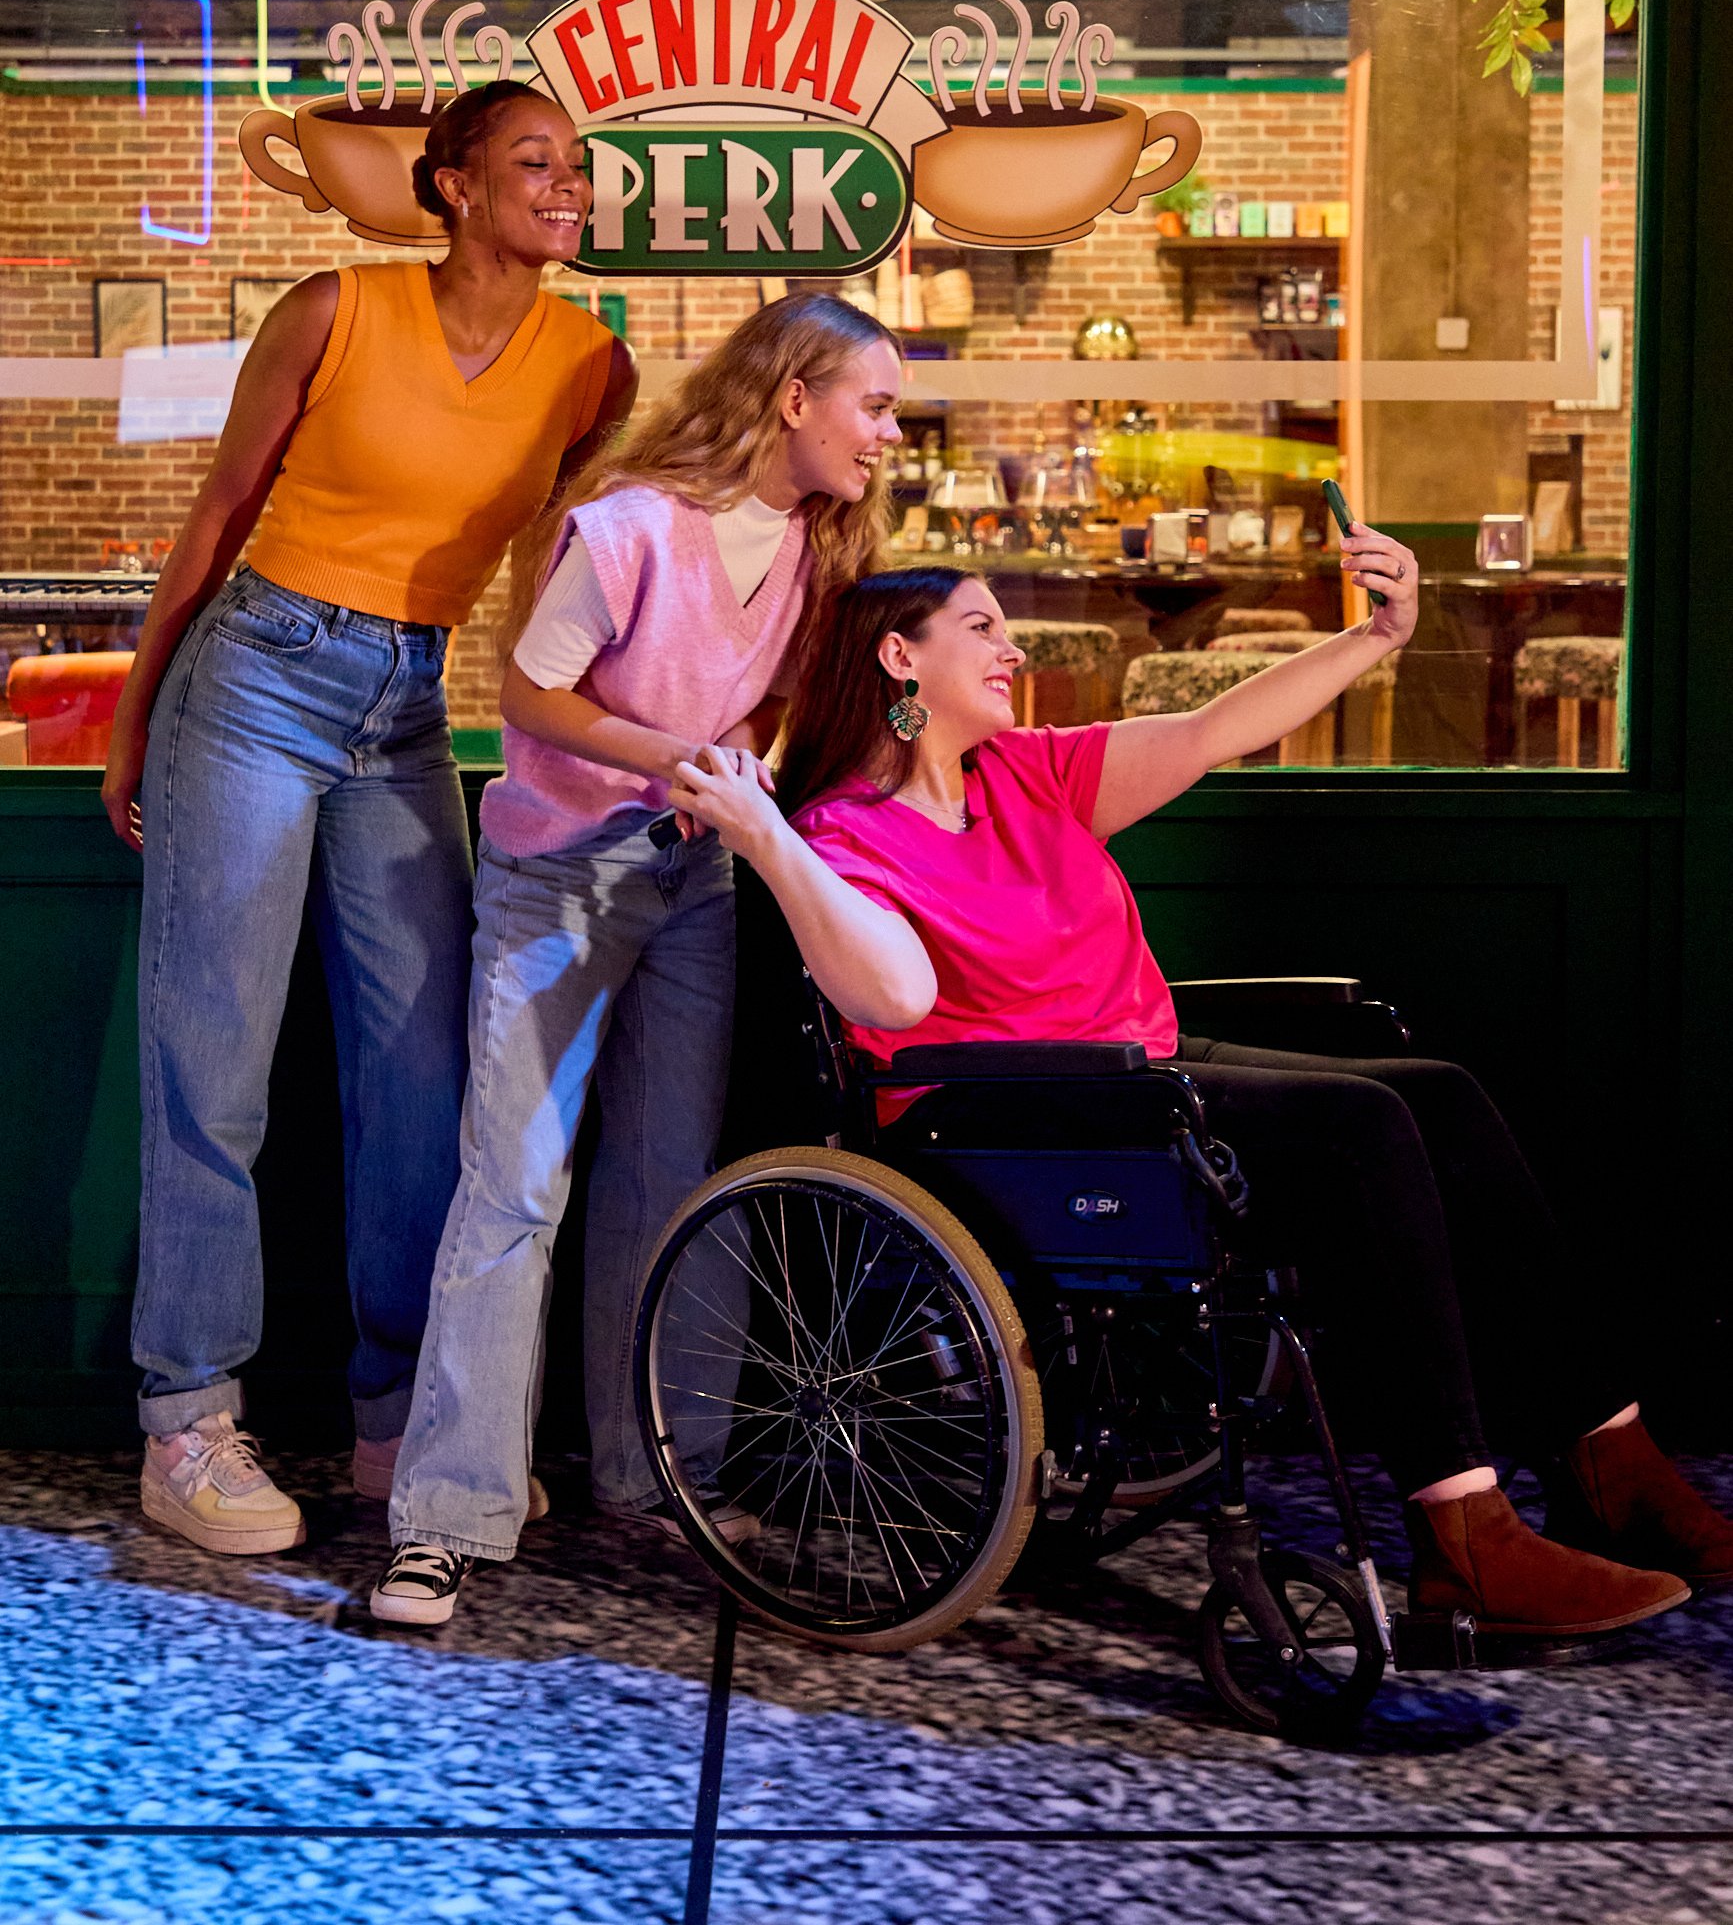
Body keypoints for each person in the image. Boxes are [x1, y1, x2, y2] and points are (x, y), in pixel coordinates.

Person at [658, 554, 1733, 1644]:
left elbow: (1215, 727)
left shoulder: (1023, 773)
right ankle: (1463, 1533)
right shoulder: (845, 832)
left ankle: (1611, 1460)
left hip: (1135, 1073)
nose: (1012, 648)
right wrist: (769, 840)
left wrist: (1376, 636)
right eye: (981, 627)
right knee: (1362, 1129)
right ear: (899, 656)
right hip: (1012, 1114)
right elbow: (895, 993)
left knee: (1439, 1094)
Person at [105, 79, 634, 1558]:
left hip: (411, 706)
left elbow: (549, 584)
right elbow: (216, 516)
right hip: (258, 674)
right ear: (452, 184)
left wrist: (584, 756)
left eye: (578, 170)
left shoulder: (593, 364)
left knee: (417, 1082)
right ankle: (188, 1421)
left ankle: (399, 1420)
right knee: (212, 1061)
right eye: (536, 162)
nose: (567, 187)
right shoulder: (334, 311)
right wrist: (140, 715)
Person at [369, 292, 904, 1626]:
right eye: (874, 405)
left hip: (691, 880)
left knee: (671, 1187)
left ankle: (653, 1475)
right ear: (793, 399)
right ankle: (444, 1520)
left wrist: (738, 780)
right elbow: (533, 696)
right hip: (556, 875)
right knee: (515, 1191)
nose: (888, 433)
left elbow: (766, 705)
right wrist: (672, 760)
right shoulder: (626, 531)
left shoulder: (818, 550)